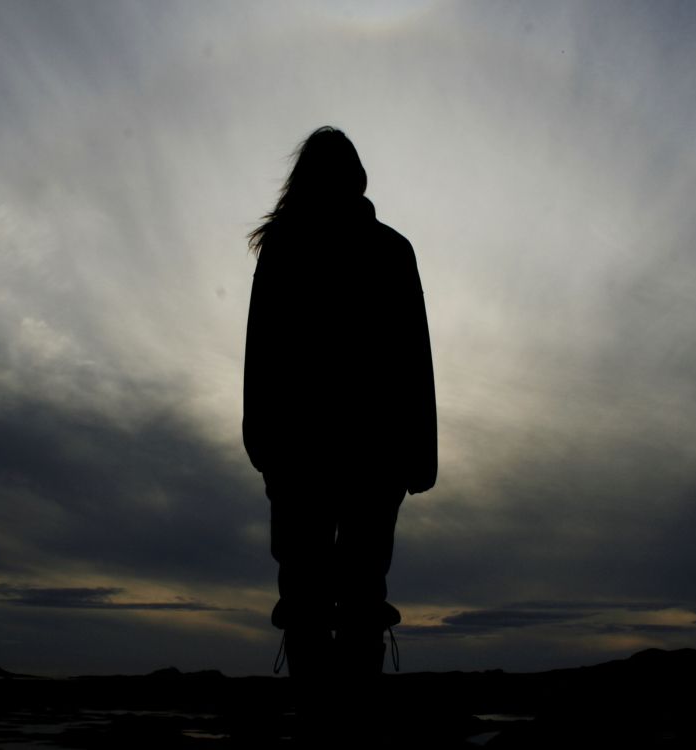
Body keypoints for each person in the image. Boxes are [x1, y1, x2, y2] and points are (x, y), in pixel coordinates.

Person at [242, 126, 437, 713]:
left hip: (318, 451)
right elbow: (414, 359)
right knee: (350, 587)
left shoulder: (291, 246)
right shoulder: (384, 249)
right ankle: (345, 713)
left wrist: (262, 440)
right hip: (358, 452)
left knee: (317, 586)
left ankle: (327, 714)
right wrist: (419, 454)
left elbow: (263, 353)